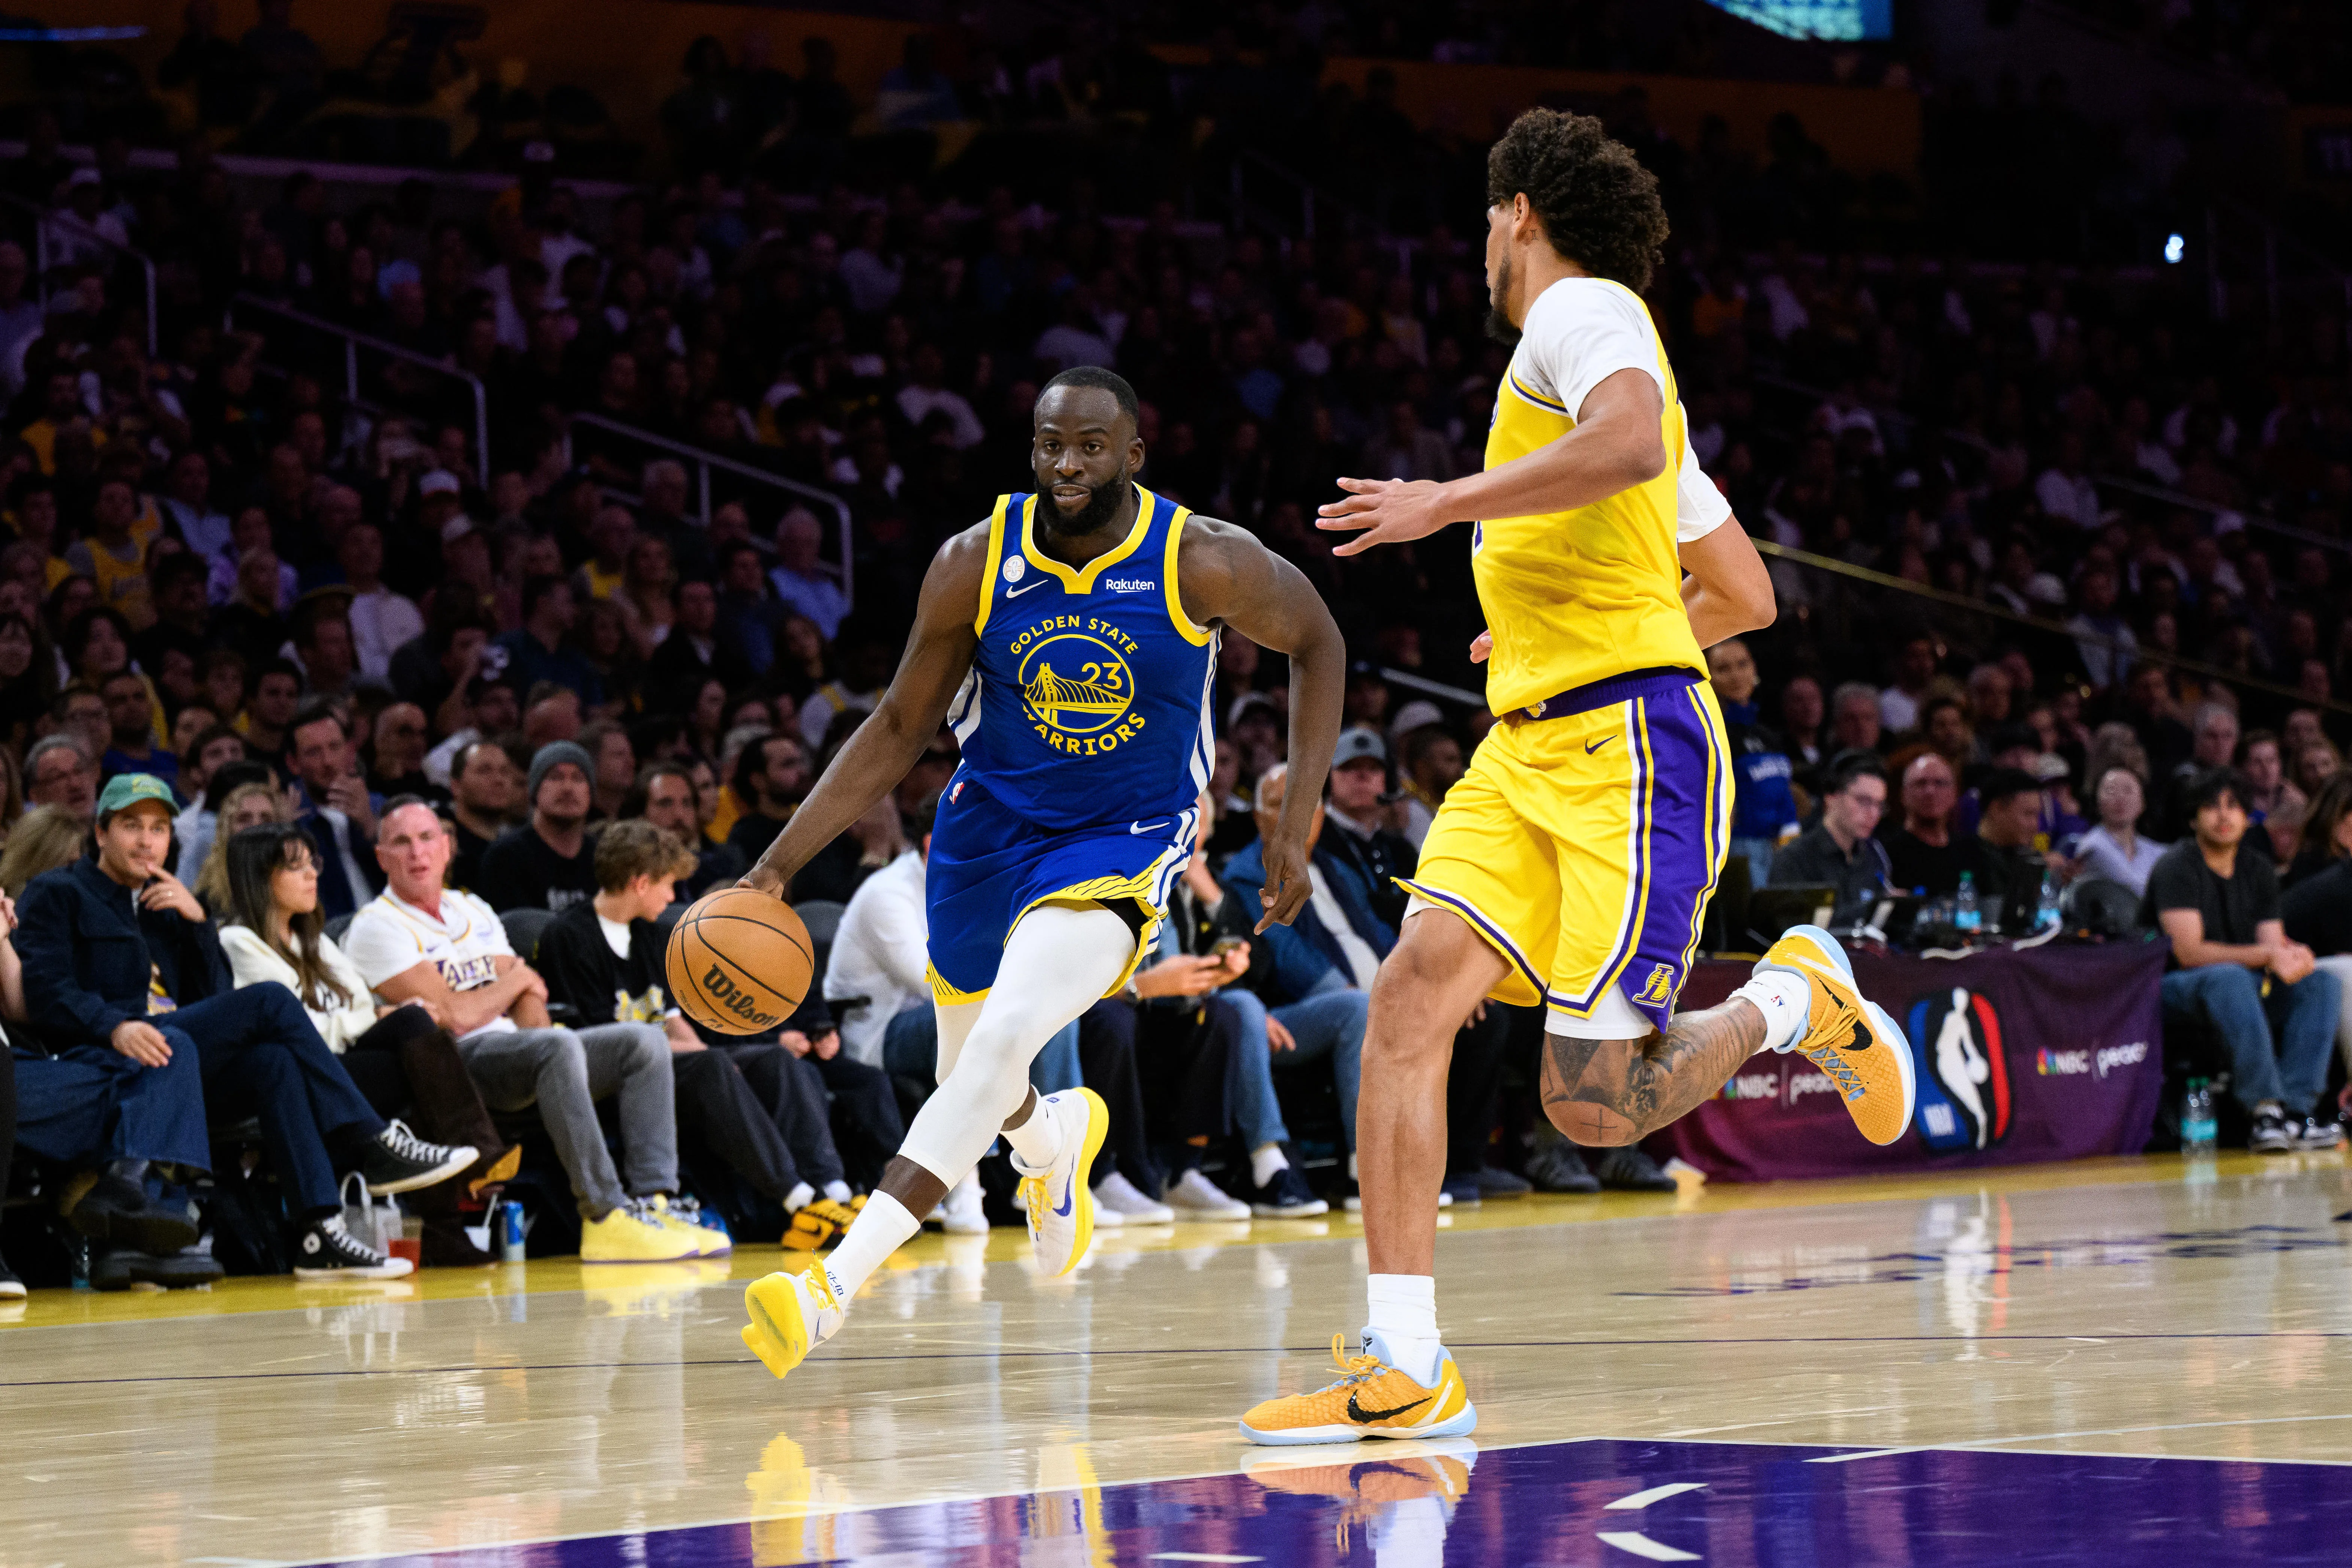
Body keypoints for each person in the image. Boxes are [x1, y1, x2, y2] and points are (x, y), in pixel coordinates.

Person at [1239, 109, 1910, 1446]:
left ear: (1520, 214)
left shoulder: (1581, 312)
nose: (1479, 246)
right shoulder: (1567, 370)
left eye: (1484, 221)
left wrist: (1442, 501)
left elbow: (1633, 440)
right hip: (1527, 742)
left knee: (1593, 1103)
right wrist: (1566, 629)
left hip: (1628, 754)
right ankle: (1404, 1362)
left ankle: (1794, 997)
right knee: (1407, 1001)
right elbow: (1743, 592)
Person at [735, 365, 1346, 1384]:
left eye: (1091, 446)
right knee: (973, 1074)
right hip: (986, 833)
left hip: (1121, 836)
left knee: (1005, 1036)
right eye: (1052, 444)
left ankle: (828, 1290)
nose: (1068, 464)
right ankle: (1050, 1142)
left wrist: (1296, 820)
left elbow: (1318, 640)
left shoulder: (1201, 558)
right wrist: (773, 866)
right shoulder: (975, 561)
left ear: (1132, 454)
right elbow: (900, 723)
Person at [17, 775, 474, 1280]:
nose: (147, 841)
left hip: (175, 1059)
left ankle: (319, 1233)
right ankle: (371, 1139)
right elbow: (45, 989)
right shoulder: (58, 891)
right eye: (132, 826)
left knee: (272, 1062)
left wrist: (197, 925)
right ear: (101, 833)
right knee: (271, 1000)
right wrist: (115, 1027)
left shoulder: (166, 906)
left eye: (159, 828)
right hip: (102, 1053)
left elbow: (214, 1000)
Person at [343, 799, 717, 1261]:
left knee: (643, 1041)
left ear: (446, 847)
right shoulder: (375, 926)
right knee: (556, 1044)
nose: (417, 852)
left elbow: (528, 995)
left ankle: (655, 1200)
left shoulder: (474, 908)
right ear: (381, 857)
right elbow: (455, 1015)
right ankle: (605, 1214)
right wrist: (516, 983)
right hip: (454, 1068)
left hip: (517, 1049)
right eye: (401, 842)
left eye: (426, 838)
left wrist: (523, 1009)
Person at [215, 822, 515, 1266]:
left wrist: (373, 1016)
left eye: (313, 864)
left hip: (343, 1066)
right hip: (300, 1077)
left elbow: (356, 1002)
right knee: (416, 1050)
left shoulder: (312, 940)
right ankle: (468, 1177)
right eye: (295, 868)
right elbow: (296, 1028)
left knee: (414, 1030)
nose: (312, 875)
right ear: (260, 878)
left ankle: (447, 1210)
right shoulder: (237, 942)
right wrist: (371, 1018)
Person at [532, 819, 842, 1246]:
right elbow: (603, 1040)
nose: (671, 896)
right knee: (710, 1064)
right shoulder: (568, 936)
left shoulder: (652, 935)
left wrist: (715, 1059)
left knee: (772, 1059)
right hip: (611, 1074)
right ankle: (797, 1198)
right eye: (667, 885)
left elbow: (672, 1019)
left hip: (665, 1061)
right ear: (641, 883)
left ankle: (832, 1188)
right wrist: (706, 1059)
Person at [2143, 769, 2341, 1153]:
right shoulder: (2176, 866)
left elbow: (2272, 949)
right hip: (2170, 987)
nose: (2223, 816)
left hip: (2240, 984)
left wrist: (2292, 957)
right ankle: (2263, 1109)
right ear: (2192, 818)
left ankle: (2296, 1112)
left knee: (2320, 983)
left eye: (2233, 806)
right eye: (2211, 806)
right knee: (2229, 977)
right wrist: (2269, 955)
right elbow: (2188, 953)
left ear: (2247, 817)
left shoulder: (2257, 868)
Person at [1708, 637, 1798, 883]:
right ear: (1708, 677)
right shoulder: (1711, 733)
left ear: (1754, 668)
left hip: (1782, 847)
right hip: (1738, 850)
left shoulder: (1768, 735)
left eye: (1742, 664)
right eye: (1723, 669)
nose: (1736, 676)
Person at [1767, 750, 1892, 929]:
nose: (1874, 814)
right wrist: (1871, 909)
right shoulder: (1794, 859)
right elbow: (1793, 931)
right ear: (1831, 797)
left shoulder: (1875, 857)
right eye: (1864, 801)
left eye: (1880, 805)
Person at [287, 703, 384, 920]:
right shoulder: (290, 820)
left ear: (350, 752)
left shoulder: (380, 807)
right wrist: (286, 834)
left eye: (335, 747)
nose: (328, 761)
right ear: (293, 763)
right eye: (314, 753)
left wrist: (370, 825)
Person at [475, 741, 598, 912]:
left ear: (590, 793)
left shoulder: (602, 859)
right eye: (555, 777)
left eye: (578, 779)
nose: (568, 788)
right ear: (534, 790)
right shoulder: (506, 857)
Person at [1879, 752, 1990, 898]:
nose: (1930, 792)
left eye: (1940, 783)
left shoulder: (1973, 851)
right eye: (1921, 783)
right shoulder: (1884, 854)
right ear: (1903, 795)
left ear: (1954, 794)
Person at [2068, 766, 2166, 897]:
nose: (2120, 798)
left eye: (2128, 790)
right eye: (2111, 790)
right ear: (2097, 804)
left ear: (2143, 803)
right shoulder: (2092, 846)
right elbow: (2132, 889)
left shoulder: (2157, 852)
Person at [446, 740, 522, 893]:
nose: (499, 780)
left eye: (505, 772)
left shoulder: (521, 850)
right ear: (456, 786)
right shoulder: (444, 847)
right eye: (485, 771)